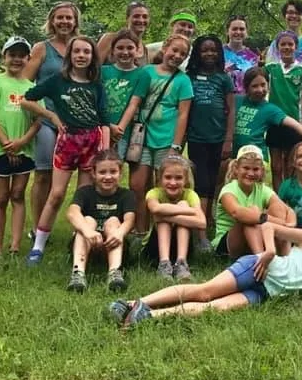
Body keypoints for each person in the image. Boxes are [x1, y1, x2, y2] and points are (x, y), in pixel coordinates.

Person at [110, 205, 302, 327]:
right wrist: (268, 252)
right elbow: (267, 226)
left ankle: (148, 315)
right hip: (257, 268)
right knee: (204, 291)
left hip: (265, 292)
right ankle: (132, 303)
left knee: (215, 308)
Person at [22, 36, 111, 265]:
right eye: (77, 52)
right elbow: (27, 99)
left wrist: (107, 150)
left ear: (92, 57)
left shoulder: (96, 84)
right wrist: (51, 115)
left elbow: (104, 119)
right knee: (57, 193)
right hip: (67, 142)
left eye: (86, 52)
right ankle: (39, 244)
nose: (81, 56)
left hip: (91, 143)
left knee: (82, 197)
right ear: (70, 55)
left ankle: (78, 240)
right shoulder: (57, 81)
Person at [116, 33, 194, 235]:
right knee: (137, 186)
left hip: (166, 141)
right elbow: (135, 102)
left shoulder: (183, 80)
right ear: (165, 48)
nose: (177, 56)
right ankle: (140, 231)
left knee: (166, 188)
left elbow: (183, 114)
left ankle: (162, 233)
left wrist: (176, 146)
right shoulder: (147, 72)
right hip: (141, 140)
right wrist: (122, 127)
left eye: (183, 54)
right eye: (174, 50)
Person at [0, 36, 42, 256]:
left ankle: (15, 245)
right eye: (12, 55)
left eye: (21, 55)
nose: (16, 59)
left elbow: (38, 121)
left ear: (28, 59)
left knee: (18, 195)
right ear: (4, 57)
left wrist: (22, 142)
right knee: (1, 198)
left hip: (25, 149)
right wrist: (6, 144)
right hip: (0, 149)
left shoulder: (32, 88)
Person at [23, 1, 79, 236]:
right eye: (60, 17)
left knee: (69, 178)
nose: (64, 22)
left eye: (69, 18)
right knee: (44, 174)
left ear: (76, 22)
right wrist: (47, 114)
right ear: (52, 21)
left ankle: (76, 226)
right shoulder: (41, 48)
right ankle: (38, 229)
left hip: (75, 123)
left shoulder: (81, 47)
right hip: (46, 121)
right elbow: (25, 85)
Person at [185, 34, 235, 251]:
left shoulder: (223, 78)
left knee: (213, 182)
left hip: (218, 138)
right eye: (205, 50)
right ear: (197, 53)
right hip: (196, 138)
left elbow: (231, 110)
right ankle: (201, 234)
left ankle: (209, 221)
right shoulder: (189, 76)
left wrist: (228, 139)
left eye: (213, 50)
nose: (209, 54)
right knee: (201, 184)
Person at [65, 149, 135, 293]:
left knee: (114, 221)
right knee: (88, 220)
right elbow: (72, 212)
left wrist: (120, 233)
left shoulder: (126, 195)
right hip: (87, 245)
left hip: (114, 243)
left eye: (113, 172)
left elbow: (129, 220)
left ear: (120, 173)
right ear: (93, 174)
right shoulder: (84, 192)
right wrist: (88, 231)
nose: (108, 177)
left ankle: (115, 273)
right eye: (102, 172)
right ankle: (78, 273)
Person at [211, 145, 297, 257]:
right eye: (246, 168)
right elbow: (236, 213)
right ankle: (260, 259)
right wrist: (271, 220)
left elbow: (287, 210)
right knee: (251, 214)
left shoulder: (262, 189)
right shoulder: (228, 189)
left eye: (255, 169)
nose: (250, 173)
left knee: (277, 207)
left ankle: (285, 257)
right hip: (229, 245)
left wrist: (290, 225)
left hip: (254, 238)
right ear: (236, 168)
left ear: (261, 171)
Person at [233, 66, 302, 161]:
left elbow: (295, 125)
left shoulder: (270, 109)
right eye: (255, 86)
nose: (260, 90)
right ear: (246, 86)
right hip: (234, 152)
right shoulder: (236, 100)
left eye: (263, 85)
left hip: (255, 155)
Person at [265, 30, 302, 192]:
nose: (286, 47)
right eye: (283, 44)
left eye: (290, 44)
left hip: (293, 123)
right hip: (274, 123)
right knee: (276, 166)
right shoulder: (270, 69)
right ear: (278, 47)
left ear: (296, 47)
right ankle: (277, 198)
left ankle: (289, 198)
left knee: (290, 165)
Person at [143, 155, 206, 280]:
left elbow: (202, 223)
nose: (173, 182)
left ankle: (181, 263)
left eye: (178, 178)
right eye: (168, 177)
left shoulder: (190, 194)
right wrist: (190, 211)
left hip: (182, 246)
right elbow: (156, 209)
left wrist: (166, 216)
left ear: (186, 180)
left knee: (181, 203)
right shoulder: (154, 193)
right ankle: (164, 264)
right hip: (155, 247)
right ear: (160, 179)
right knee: (166, 216)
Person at [100, 29, 144, 158]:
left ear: (137, 50)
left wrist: (119, 130)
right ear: (112, 50)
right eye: (120, 48)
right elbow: (97, 102)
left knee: (114, 167)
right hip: (101, 127)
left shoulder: (142, 74)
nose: (125, 52)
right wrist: (108, 126)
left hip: (123, 132)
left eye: (130, 48)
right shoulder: (103, 71)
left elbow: (133, 104)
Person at [265, 0, 302, 92]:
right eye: (290, 12)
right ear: (284, 16)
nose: (294, 16)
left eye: (298, 13)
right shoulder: (275, 43)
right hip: (281, 99)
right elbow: (268, 73)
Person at [96, 0, 155, 66]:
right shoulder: (109, 39)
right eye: (136, 16)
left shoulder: (145, 51)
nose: (141, 20)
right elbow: (93, 68)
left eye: (145, 17)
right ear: (127, 19)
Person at [223, 14, 260, 95]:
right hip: (221, 101)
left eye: (242, 29)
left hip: (245, 102)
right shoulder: (218, 53)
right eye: (234, 29)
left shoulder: (253, 58)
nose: (238, 32)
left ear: (246, 32)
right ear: (227, 31)